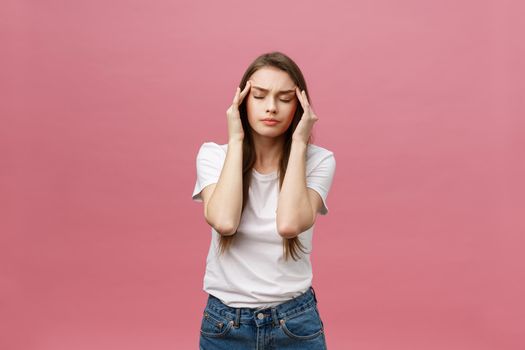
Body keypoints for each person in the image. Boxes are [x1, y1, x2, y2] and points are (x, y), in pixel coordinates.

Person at [191, 51, 336, 349]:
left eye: (284, 99)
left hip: (295, 323)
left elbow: (289, 224)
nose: (271, 108)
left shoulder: (319, 161)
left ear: (300, 106)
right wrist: (236, 140)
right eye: (259, 96)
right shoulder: (214, 155)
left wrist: (298, 142)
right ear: (242, 101)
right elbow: (224, 221)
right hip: (225, 325)